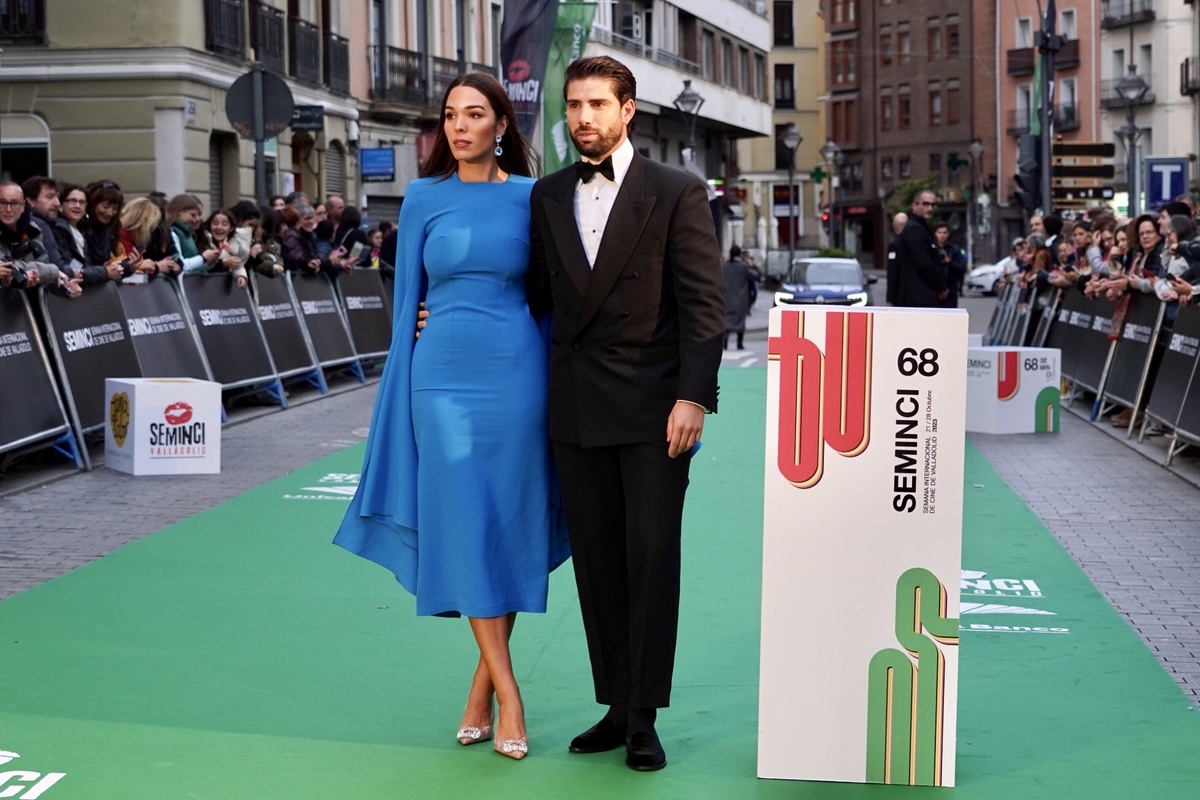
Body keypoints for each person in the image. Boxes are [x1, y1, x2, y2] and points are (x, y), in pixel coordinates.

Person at [333, 72, 569, 762]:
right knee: (467, 517)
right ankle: (512, 695)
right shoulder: (422, 197)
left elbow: (554, 297)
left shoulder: (536, 197)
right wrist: (407, 366)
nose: (459, 127)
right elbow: (407, 298)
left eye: (474, 115)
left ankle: (479, 691)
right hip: (440, 377)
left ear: (502, 124)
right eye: (449, 116)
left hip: (517, 370)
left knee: (509, 521)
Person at [526, 55, 724, 772]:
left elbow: (706, 305)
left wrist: (694, 396)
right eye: (574, 105)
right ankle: (613, 704)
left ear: (628, 109)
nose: (583, 117)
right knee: (599, 567)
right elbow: (536, 298)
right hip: (575, 410)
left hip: (653, 411)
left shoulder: (677, 190)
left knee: (650, 561)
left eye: (598, 105)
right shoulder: (548, 195)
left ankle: (644, 717)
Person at [894, 190, 947, 307]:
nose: (930, 208)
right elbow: (924, 264)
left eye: (932, 205)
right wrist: (941, 286)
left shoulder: (922, 227)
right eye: (925, 204)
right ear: (915, 205)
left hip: (922, 295)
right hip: (918, 297)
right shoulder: (914, 228)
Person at [720, 245, 752, 349]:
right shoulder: (743, 267)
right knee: (740, 321)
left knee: (726, 321)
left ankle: (725, 343)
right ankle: (739, 343)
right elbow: (755, 276)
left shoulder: (724, 267)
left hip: (726, 298)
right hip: (740, 299)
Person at [932, 221, 966, 306]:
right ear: (935, 234)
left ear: (948, 233)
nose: (942, 236)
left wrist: (950, 262)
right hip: (933, 292)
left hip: (951, 290)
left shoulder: (954, 250)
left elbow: (962, 268)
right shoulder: (931, 249)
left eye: (944, 233)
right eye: (939, 233)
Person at [885, 211, 907, 305]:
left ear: (894, 225)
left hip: (899, 293)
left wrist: (890, 297)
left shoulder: (895, 245)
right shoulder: (914, 242)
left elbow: (893, 271)